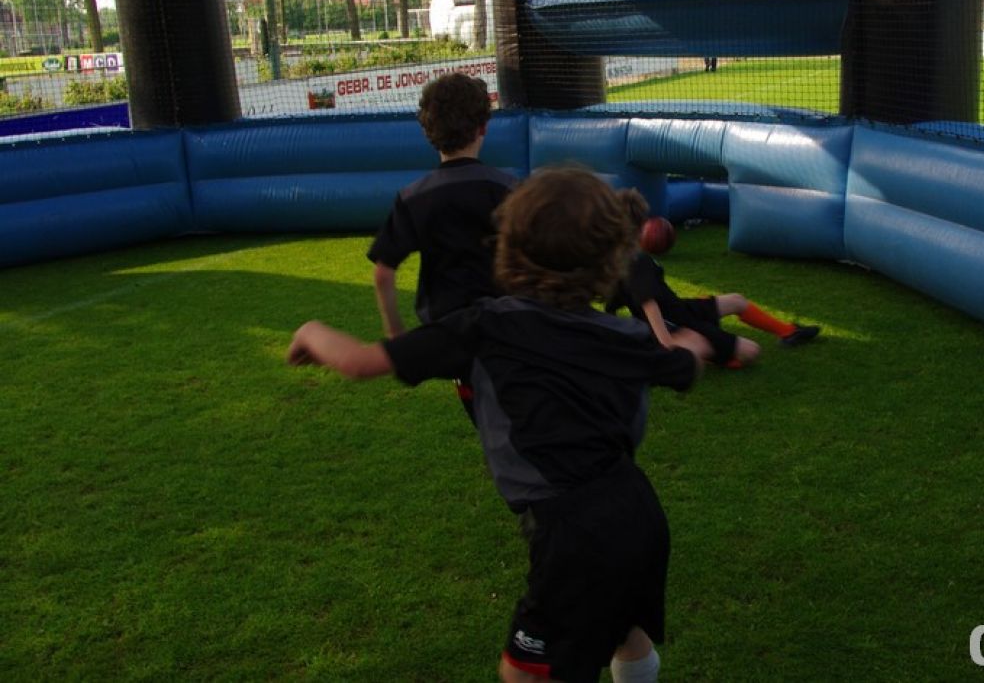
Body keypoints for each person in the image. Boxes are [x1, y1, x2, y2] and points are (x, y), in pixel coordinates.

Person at [288, 167, 711, 683]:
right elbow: (685, 364)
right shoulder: (623, 335)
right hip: (638, 511)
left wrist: (310, 331)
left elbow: (358, 362)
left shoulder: (486, 325)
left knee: (523, 673)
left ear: (509, 247)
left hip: (571, 531)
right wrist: (694, 344)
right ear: (608, 261)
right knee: (623, 628)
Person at [368, 72, 515, 339]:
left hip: (443, 332)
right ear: (483, 128)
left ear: (428, 131)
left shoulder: (414, 198)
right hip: (502, 326)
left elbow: (383, 273)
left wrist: (395, 334)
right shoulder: (508, 190)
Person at [606, 242, 820, 370]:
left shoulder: (622, 262)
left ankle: (788, 332)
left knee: (737, 300)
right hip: (677, 324)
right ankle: (714, 356)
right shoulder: (636, 260)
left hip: (682, 309)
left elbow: (613, 306)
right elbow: (649, 304)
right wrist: (667, 343)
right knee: (752, 352)